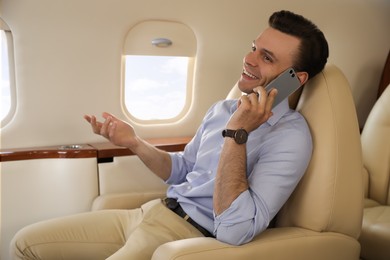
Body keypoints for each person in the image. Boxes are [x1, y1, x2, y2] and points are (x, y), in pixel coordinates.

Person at [11, 10, 328, 260]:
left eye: (266, 57)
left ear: (295, 79)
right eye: (254, 48)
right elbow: (182, 172)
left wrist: (238, 133)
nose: (248, 59)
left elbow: (236, 230)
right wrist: (133, 142)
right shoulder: (223, 109)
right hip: (150, 213)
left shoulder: (290, 137)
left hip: (183, 236)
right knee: (24, 244)